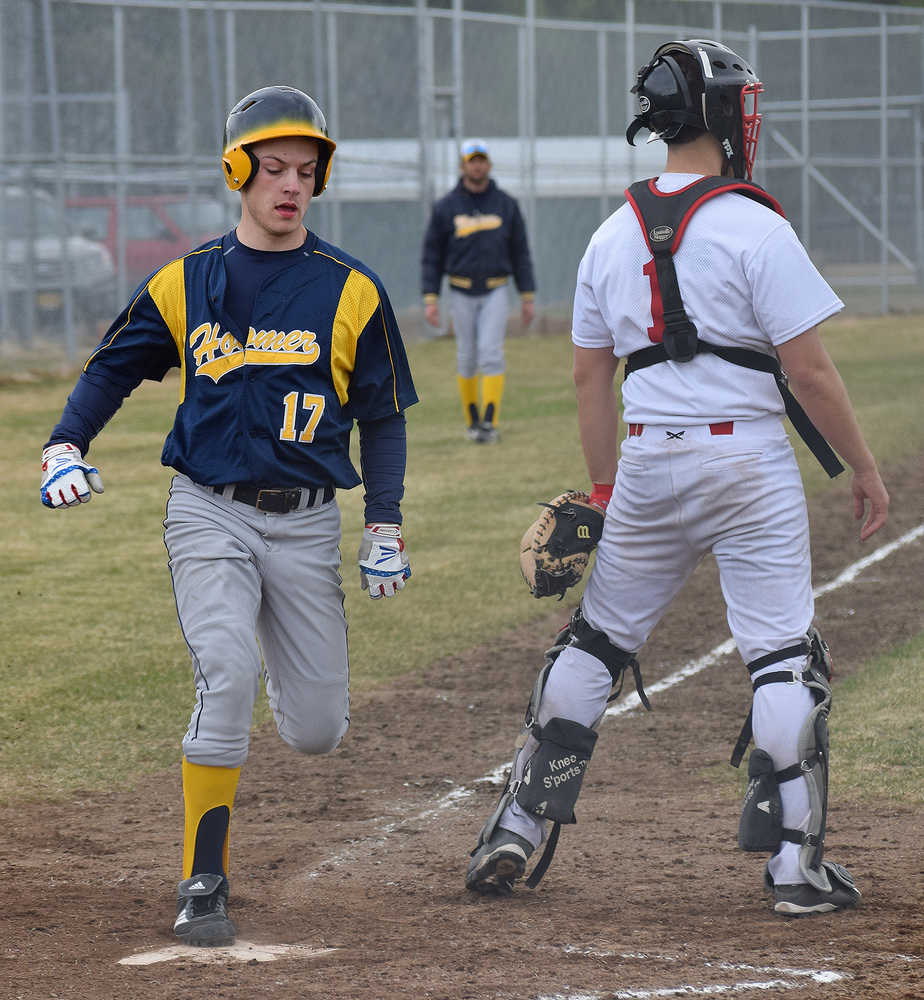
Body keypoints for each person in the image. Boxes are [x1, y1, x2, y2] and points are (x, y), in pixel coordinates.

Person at [464, 39, 889, 917]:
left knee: (595, 645)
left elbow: (589, 379)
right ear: (726, 117)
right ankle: (793, 870)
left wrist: (605, 489)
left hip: (650, 456)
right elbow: (809, 373)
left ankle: (516, 825)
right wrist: (865, 469)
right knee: (780, 656)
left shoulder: (611, 232)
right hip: (745, 460)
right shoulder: (756, 223)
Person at [39, 85, 418, 946]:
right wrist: (67, 444)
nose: (291, 185)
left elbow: (384, 417)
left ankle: (281, 672)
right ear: (236, 170)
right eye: (274, 167)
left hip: (309, 520)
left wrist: (384, 525)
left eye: (307, 171)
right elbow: (112, 368)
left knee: (318, 730)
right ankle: (203, 879)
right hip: (208, 510)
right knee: (224, 672)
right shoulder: (187, 279)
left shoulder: (351, 289)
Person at [421, 138, 536, 443]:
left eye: (481, 159)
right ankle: (473, 422)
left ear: (488, 164)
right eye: (472, 160)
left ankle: (490, 423)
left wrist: (527, 294)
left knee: (491, 354)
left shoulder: (505, 204)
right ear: (462, 165)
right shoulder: (447, 207)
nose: (477, 165)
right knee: (467, 357)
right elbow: (432, 254)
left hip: (495, 290)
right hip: (460, 291)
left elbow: (520, 252)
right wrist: (430, 298)